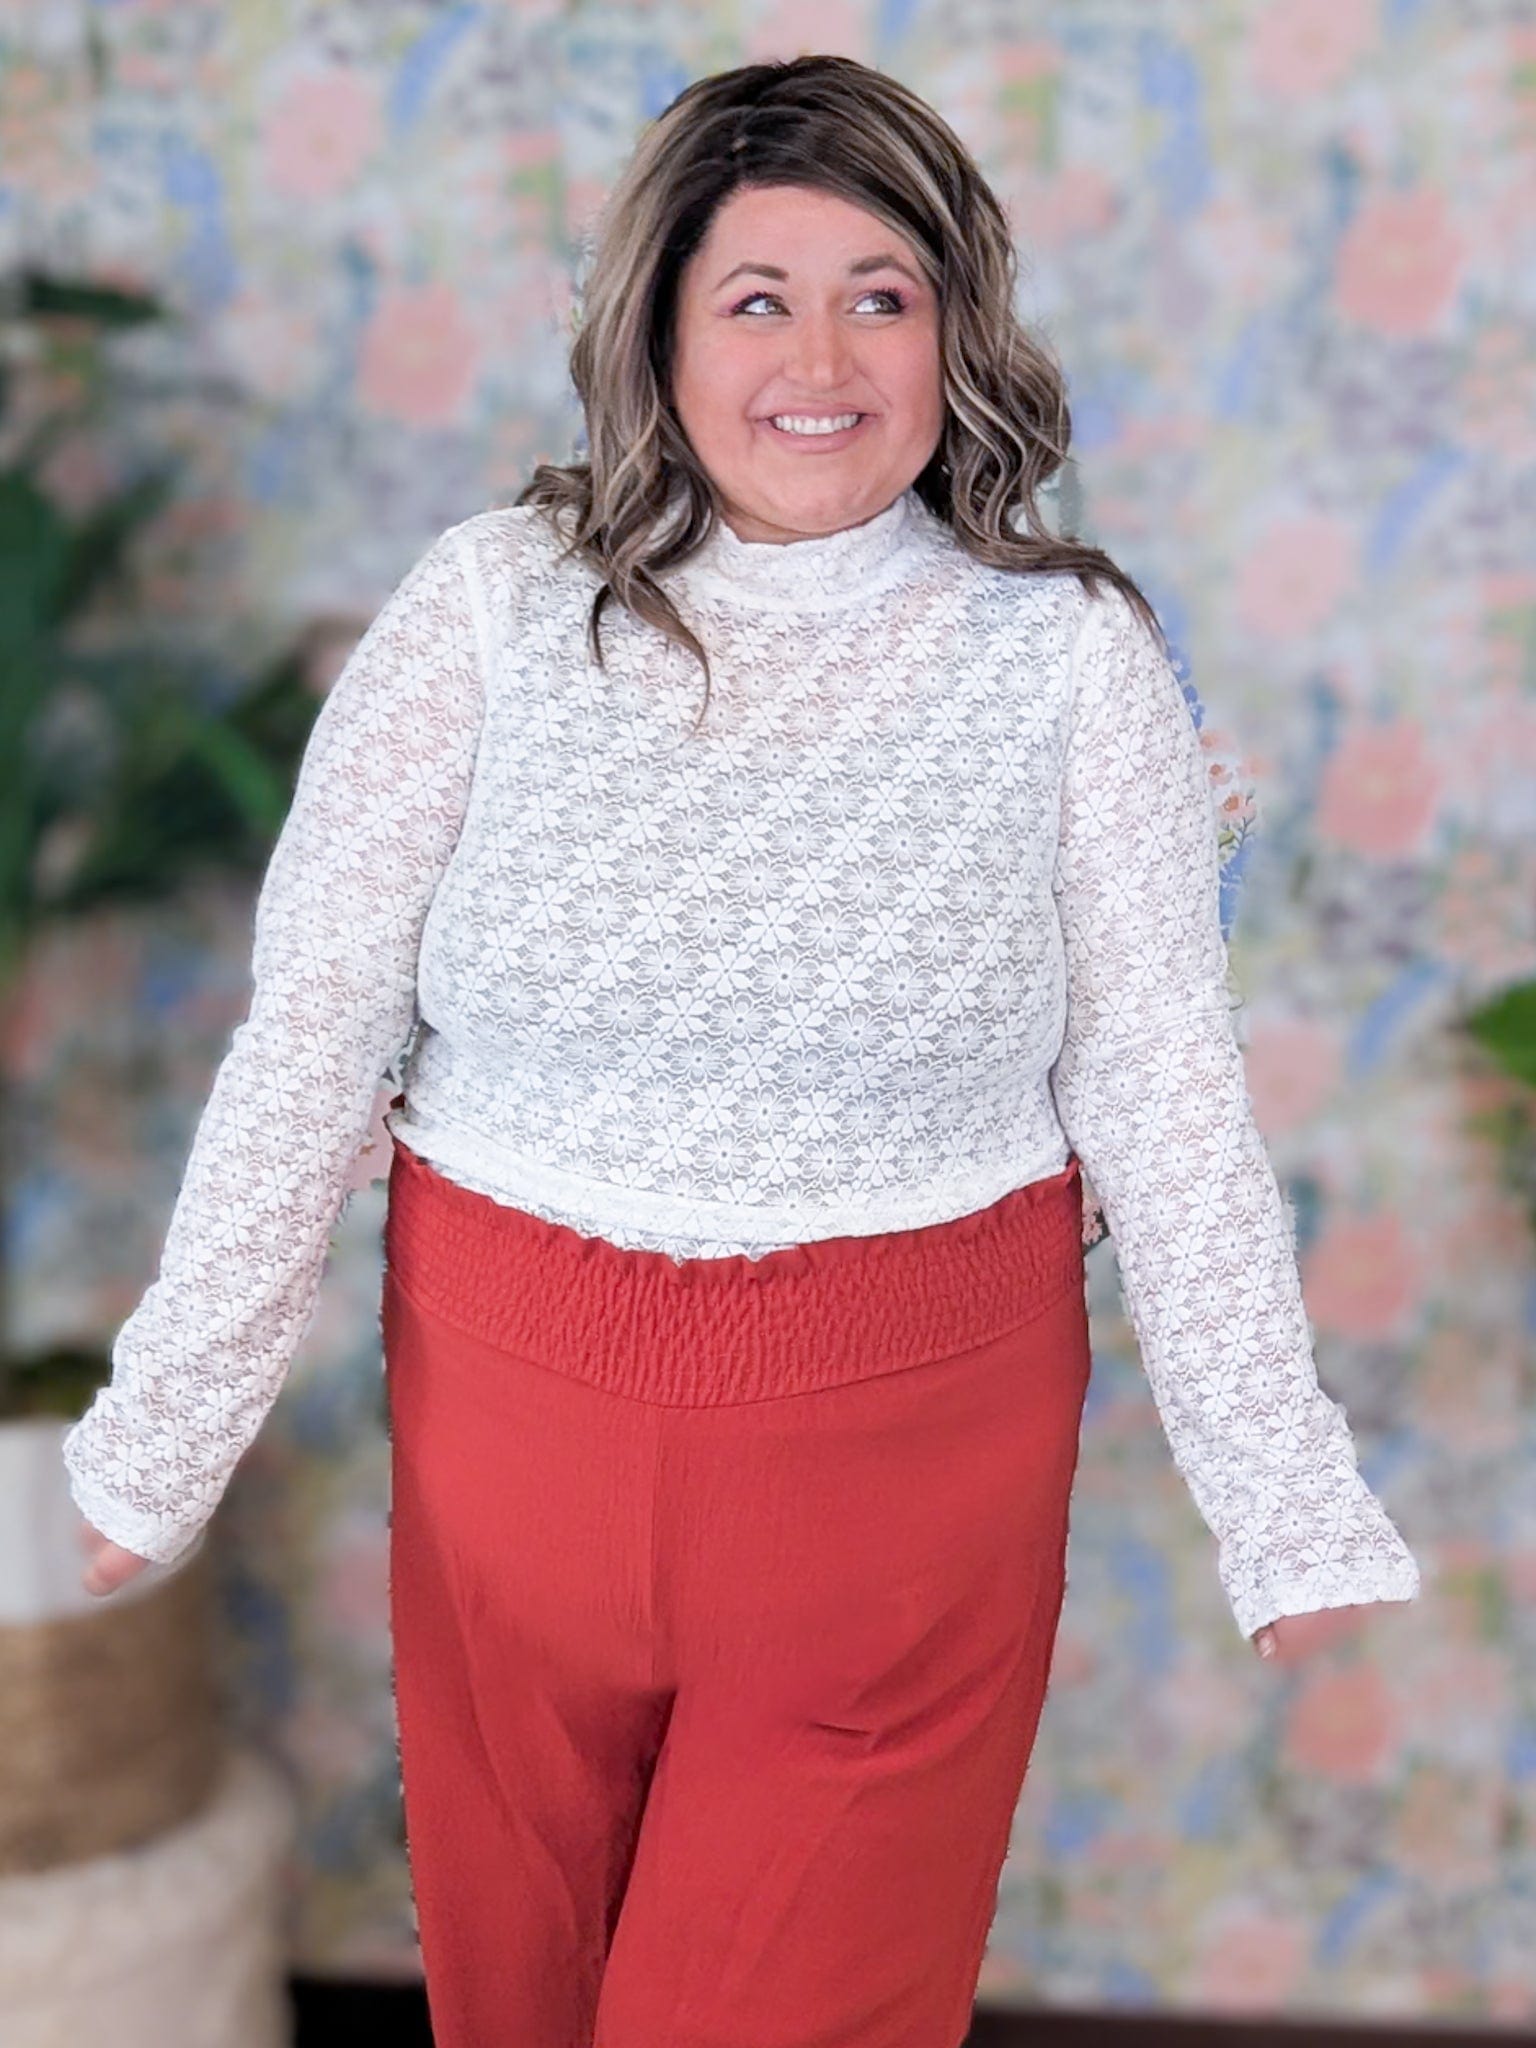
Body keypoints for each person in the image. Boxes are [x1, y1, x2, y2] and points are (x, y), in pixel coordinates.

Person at [64, 53, 1420, 2048]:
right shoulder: (489, 611)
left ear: (956, 331)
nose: (822, 359)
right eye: (758, 298)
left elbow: (1161, 1087)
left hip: (903, 1469)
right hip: (504, 1428)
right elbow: (315, 1035)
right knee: (521, 2006)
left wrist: (1280, 1491)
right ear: (661, 333)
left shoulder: (1068, 658)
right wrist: (164, 1436)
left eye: (882, 295)